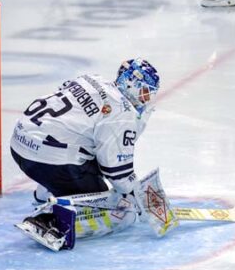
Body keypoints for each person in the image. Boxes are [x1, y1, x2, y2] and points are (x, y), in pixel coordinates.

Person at [11, 58, 177, 251]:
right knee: (122, 212)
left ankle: (46, 192)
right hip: (50, 161)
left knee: (81, 148)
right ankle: (48, 221)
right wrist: (137, 199)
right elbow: (116, 171)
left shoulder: (91, 79)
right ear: (131, 84)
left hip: (20, 144)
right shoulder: (122, 111)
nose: (146, 99)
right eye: (144, 91)